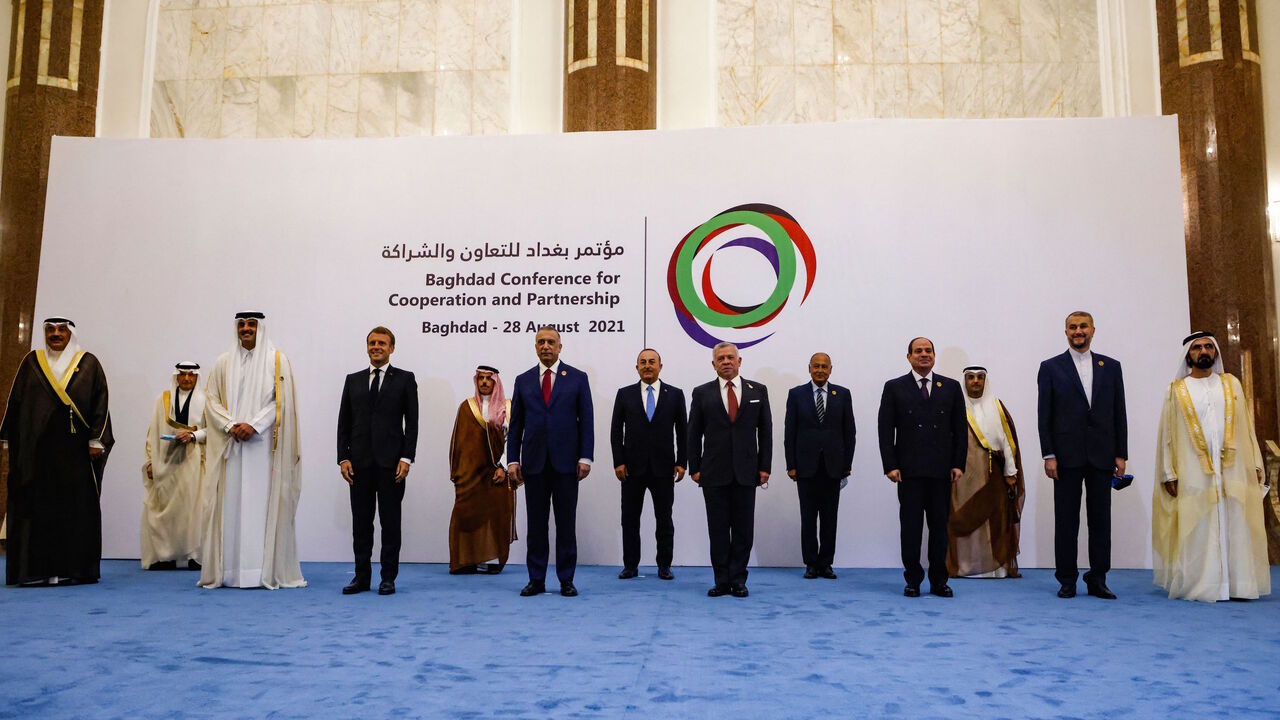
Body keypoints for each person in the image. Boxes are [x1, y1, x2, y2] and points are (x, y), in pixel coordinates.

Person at [1153, 331, 1270, 602]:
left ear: (1215, 352)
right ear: (1188, 355)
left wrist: (1253, 463)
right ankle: (1202, 584)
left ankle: (1238, 585)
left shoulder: (1231, 384)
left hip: (1232, 469)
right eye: (1196, 348)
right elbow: (1167, 436)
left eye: (1208, 346)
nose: (1203, 351)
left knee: (1236, 523)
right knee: (1199, 525)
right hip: (1194, 471)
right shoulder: (1176, 390)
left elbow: (1246, 428)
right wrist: (1169, 472)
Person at [0, 317, 114, 586]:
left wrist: (97, 440)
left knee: (74, 509)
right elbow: (16, 401)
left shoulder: (88, 364)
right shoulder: (31, 362)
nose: (55, 334)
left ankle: (72, 570)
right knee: (39, 508)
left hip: (75, 452)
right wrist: (10, 436)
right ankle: (37, 570)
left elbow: (101, 401)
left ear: (70, 333)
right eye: (50, 330)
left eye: (61, 330)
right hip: (38, 452)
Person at [198, 312, 305, 590]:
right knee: (230, 506)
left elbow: (282, 403)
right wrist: (231, 424)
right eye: (242, 325)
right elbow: (211, 401)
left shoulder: (277, 360)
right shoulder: (223, 362)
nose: (246, 329)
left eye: (251, 325)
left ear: (261, 328)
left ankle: (260, 571)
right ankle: (231, 572)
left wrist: (254, 425)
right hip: (230, 446)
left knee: (261, 507)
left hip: (263, 448)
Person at [1037, 311, 1127, 599]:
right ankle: (1067, 579)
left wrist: (1120, 454)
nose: (1078, 331)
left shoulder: (1111, 367)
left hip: (1102, 455)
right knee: (1066, 520)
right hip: (1065, 457)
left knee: (1101, 520)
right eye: (1073, 327)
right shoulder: (1050, 367)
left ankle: (1098, 578)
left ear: (1093, 330)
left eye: (1083, 326)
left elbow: (1119, 413)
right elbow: (1044, 416)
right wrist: (1048, 454)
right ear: (1065, 332)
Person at [507, 326, 594, 597]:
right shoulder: (523, 380)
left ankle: (566, 579)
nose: (546, 346)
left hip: (567, 463)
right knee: (536, 525)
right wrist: (512, 461)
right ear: (535, 347)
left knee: (566, 524)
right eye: (541, 342)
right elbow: (517, 424)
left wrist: (585, 456)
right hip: (533, 463)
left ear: (560, 347)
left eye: (551, 342)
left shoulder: (578, 378)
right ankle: (536, 579)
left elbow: (586, 420)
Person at [877, 337, 966, 598]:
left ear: (934, 356)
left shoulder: (949, 387)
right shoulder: (894, 387)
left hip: (941, 471)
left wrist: (958, 464)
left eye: (928, 351)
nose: (924, 355)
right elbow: (885, 429)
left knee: (940, 528)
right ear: (909, 357)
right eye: (918, 351)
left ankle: (939, 580)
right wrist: (890, 465)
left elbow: (960, 429)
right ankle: (913, 579)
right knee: (911, 528)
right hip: (909, 471)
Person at [337, 326, 418, 596]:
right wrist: (343, 458)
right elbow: (343, 424)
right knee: (361, 523)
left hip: (392, 465)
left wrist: (407, 457)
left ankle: (388, 578)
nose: (376, 347)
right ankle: (361, 577)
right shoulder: (353, 380)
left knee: (390, 523)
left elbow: (413, 423)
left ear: (391, 348)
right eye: (372, 343)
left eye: (382, 343)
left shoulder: (405, 379)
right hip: (358, 465)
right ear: (367, 347)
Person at [688, 342, 772, 598]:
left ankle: (739, 580)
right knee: (718, 530)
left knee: (744, 530)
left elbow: (766, 432)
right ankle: (721, 580)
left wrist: (765, 466)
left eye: (730, 357)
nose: (726, 361)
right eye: (720, 358)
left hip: (747, 472)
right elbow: (693, 433)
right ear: (713, 364)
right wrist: (695, 467)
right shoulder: (702, 393)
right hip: (713, 472)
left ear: (739, 361)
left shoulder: (758, 390)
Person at [610, 348, 687, 580]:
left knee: (664, 519)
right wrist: (619, 461)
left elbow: (683, 431)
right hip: (632, 469)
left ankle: (664, 565)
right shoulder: (625, 394)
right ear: (637, 368)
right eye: (642, 362)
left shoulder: (674, 394)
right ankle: (630, 566)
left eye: (652, 362)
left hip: (664, 468)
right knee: (630, 520)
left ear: (660, 366)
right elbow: (615, 431)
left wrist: (682, 462)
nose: (647, 365)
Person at [947, 366, 1025, 579]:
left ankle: (995, 567)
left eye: (980, 377)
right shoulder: (956, 406)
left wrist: (1011, 472)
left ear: (985, 380)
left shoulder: (997, 406)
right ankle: (964, 566)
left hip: (995, 476)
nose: (975, 381)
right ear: (964, 381)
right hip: (963, 477)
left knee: (996, 520)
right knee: (963, 516)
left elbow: (1008, 444)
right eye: (970, 377)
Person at [784, 352, 855, 580]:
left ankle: (826, 563)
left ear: (831, 369)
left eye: (825, 366)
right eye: (816, 366)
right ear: (809, 368)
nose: (820, 370)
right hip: (805, 468)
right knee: (808, 518)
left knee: (829, 518)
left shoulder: (842, 394)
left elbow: (849, 432)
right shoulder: (796, 395)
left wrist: (847, 464)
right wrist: (791, 465)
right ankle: (811, 564)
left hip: (834, 467)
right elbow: (790, 432)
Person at [447, 365, 516, 575]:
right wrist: (460, 472)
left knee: (496, 516)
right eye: (481, 378)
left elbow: (513, 440)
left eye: (489, 379)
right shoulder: (467, 407)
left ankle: (493, 560)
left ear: (496, 382)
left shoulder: (508, 407)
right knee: (466, 515)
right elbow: (459, 443)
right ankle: (465, 561)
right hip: (470, 474)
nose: (485, 382)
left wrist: (503, 467)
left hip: (498, 473)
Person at [141, 361, 206, 571]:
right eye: (183, 375)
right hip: (166, 463)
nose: (187, 379)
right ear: (176, 377)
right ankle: (164, 555)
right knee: (165, 509)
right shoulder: (163, 399)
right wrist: (150, 461)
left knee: (194, 510)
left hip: (194, 462)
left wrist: (194, 435)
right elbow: (153, 431)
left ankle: (195, 556)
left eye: (191, 375)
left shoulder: (206, 401)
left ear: (197, 377)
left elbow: (213, 431)